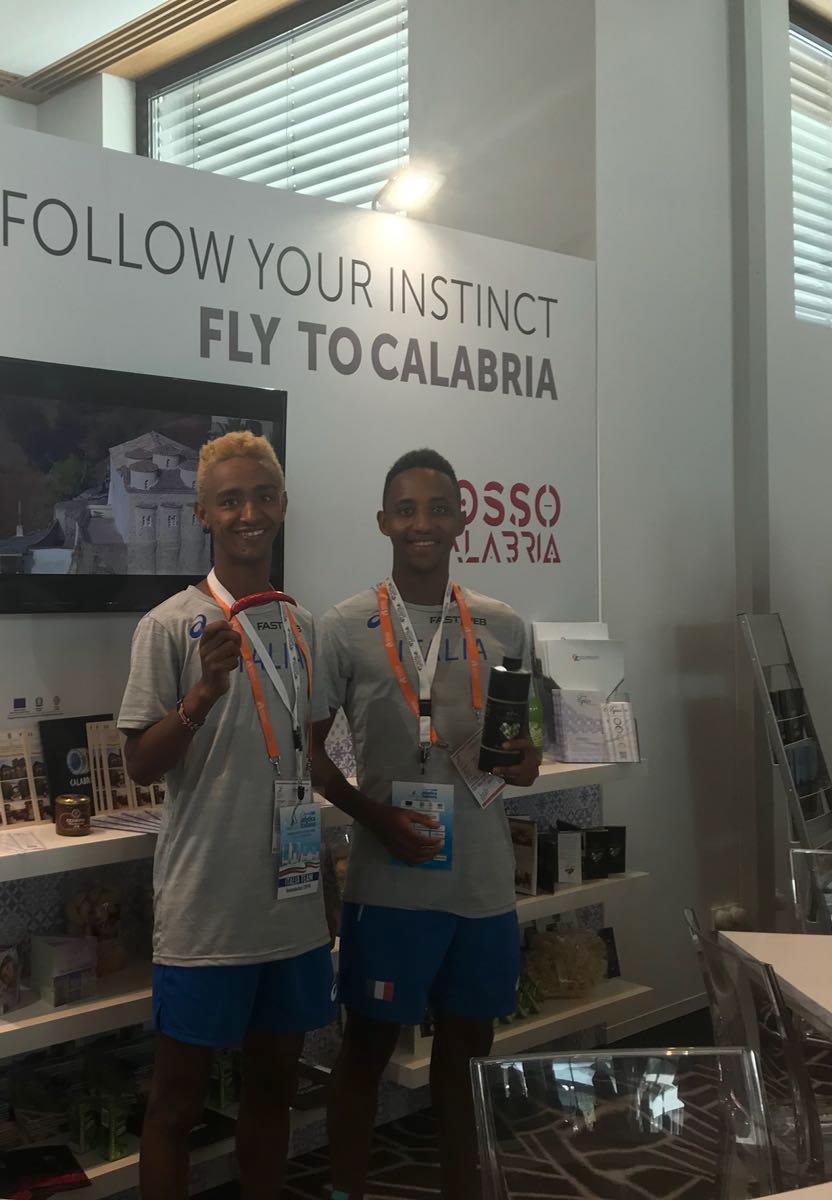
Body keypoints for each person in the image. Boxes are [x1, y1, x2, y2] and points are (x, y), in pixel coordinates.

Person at [312, 448, 540, 1200]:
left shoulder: (504, 625)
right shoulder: (343, 627)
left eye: (439, 509)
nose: (423, 524)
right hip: (389, 883)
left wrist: (525, 761)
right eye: (406, 509)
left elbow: (527, 747)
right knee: (366, 1053)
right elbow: (309, 759)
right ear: (383, 521)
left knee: (467, 1063)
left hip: (482, 886)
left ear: (461, 519)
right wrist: (374, 817)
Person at [118, 430, 333, 1200]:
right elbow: (141, 764)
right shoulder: (168, 625)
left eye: (263, 497)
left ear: (283, 506)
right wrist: (202, 695)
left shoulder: (303, 627)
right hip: (206, 910)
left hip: (290, 907)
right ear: (202, 514)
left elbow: (306, 759)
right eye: (231, 500)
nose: (249, 513)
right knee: (176, 1106)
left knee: (273, 1091)